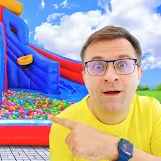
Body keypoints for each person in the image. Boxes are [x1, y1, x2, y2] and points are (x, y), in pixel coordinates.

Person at [48, 26, 161, 161]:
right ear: (84, 77)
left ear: (139, 74)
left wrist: (114, 149)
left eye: (123, 64)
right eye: (97, 66)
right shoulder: (64, 126)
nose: (110, 76)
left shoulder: (153, 112)